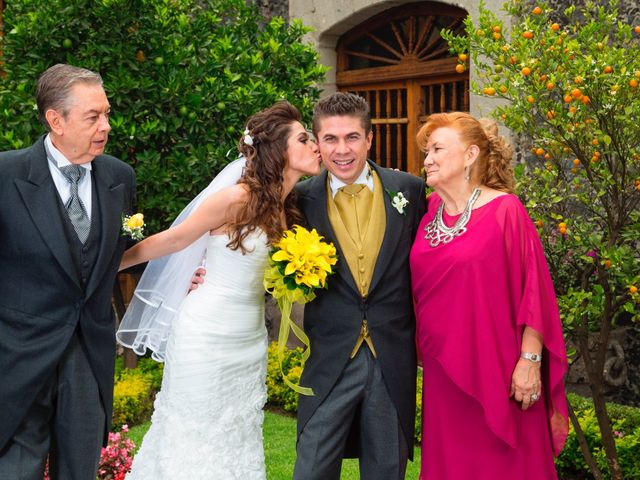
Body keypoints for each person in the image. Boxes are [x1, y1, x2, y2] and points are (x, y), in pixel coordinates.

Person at [115, 100, 321, 479]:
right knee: (192, 440)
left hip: (248, 340)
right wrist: (107, 266)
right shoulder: (236, 198)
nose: (316, 146)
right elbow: (175, 240)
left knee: (237, 439)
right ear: (279, 149)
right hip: (205, 337)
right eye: (305, 139)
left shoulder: (288, 207)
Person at [410, 112, 569, 479]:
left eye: (437, 149)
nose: (427, 158)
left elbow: (535, 293)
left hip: (498, 371)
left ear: (470, 155)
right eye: (426, 150)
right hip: (442, 376)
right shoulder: (428, 210)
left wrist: (530, 362)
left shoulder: (506, 211)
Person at [0, 64, 137, 479]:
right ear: (55, 120)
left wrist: (182, 277)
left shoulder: (119, 177)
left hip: (88, 352)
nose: (106, 126)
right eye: (93, 116)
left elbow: (117, 255)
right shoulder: (5, 175)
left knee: (79, 471)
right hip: (18, 355)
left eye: (107, 114)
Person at [292, 92, 427, 479]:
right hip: (330, 356)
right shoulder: (300, 200)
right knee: (312, 467)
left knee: (386, 469)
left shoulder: (410, 190)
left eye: (352, 137)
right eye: (330, 139)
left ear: (369, 139)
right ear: (317, 144)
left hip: (391, 356)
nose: (342, 149)